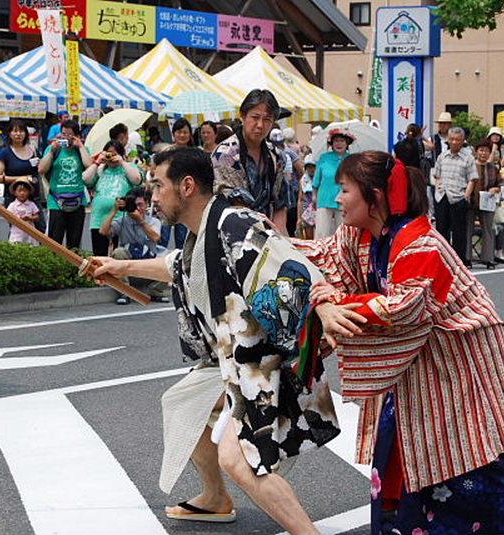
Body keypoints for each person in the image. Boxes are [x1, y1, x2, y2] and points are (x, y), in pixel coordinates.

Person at [90, 147, 343, 534]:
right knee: (184, 406)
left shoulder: (235, 223)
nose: (153, 196)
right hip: (226, 363)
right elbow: (176, 266)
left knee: (239, 458)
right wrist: (120, 267)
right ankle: (215, 498)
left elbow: (295, 271)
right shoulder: (203, 231)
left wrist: (325, 311)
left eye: (159, 185)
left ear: (187, 186)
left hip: (260, 365)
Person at [295, 151, 504, 535]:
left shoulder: (420, 244)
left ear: (374, 196)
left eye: (345, 190)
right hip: (415, 373)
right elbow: (323, 258)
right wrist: (269, 243)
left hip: (454, 371)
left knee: (476, 461)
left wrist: (334, 304)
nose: (337, 197)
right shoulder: (363, 234)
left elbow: (402, 308)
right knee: (407, 462)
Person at [212, 89, 288, 231]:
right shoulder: (225, 154)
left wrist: (279, 240)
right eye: (255, 117)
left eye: (267, 119)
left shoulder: (276, 156)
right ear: (243, 116)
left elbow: (279, 204)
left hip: (268, 236)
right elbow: (238, 208)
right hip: (231, 234)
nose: (260, 125)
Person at [99, 187, 167, 304]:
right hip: (128, 265)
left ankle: (155, 291)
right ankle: (125, 292)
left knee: (168, 258)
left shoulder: (154, 221)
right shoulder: (123, 220)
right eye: (134, 205)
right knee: (118, 252)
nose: (138, 208)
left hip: (148, 265)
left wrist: (141, 221)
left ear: (146, 204)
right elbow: (103, 232)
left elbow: (156, 238)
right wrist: (114, 211)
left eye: (140, 205)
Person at [39, 119, 93, 249]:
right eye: (63, 134)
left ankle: (71, 267)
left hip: (77, 201)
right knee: (54, 241)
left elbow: (89, 165)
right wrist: (52, 151)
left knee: (74, 243)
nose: (66, 137)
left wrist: (80, 146)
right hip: (56, 201)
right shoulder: (54, 149)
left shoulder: (82, 150)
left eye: (70, 135)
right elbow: (41, 169)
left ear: (77, 136)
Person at [83, 140, 142, 255]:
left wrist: (122, 161)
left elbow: (137, 179)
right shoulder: (101, 169)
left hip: (119, 220)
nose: (111, 157)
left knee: (117, 255)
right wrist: (97, 162)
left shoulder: (128, 167)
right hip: (98, 220)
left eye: (114, 154)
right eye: (108, 153)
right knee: (99, 256)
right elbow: (85, 179)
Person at [432, 126, 478, 264]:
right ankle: (442, 259)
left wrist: (466, 196)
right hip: (442, 196)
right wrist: (438, 186)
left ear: (463, 140)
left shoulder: (468, 158)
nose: (454, 142)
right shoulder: (442, 156)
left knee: (459, 231)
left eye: (458, 140)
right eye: (451, 139)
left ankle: (459, 260)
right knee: (441, 229)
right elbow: (436, 174)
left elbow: (473, 179)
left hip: (458, 197)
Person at [0, 121, 44, 227]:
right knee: (17, 230)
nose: (18, 134)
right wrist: (20, 179)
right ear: (9, 134)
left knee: (40, 229)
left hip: (34, 197)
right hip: (13, 198)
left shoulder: (32, 149)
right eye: (15, 131)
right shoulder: (4, 152)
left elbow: (40, 170)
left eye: (21, 131)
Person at [313, 127, 354, 238]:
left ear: (347, 143)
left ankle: (342, 254)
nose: (339, 144)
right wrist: (314, 196)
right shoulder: (324, 158)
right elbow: (316, 180)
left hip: (344, 201)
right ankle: (320, 255)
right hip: (324, 199)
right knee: (322, 232)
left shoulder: (352, 159)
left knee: (343, 233)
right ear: (331, 143)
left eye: (342, 141)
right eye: (336, 141)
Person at [161, 118, 194, 248]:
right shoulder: (166, 152)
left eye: (185, 132)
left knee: (182, 236)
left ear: (190, 134)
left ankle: (181, 265)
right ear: (174, 133)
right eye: (179, 132)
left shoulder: (193, 153)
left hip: (185, 197)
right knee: (163, 234)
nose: (182, 135)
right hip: (167, 195)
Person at [467, 141, 501, 268]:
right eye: (481, 150)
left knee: (488, 229)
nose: (483, 153)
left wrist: (495, 189)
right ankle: (467, 258)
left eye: (486, 150)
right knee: (468, 229)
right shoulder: (470, 166)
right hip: (471, 201)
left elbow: (499, 184)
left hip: (487, 202)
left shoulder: (493, 168)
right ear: (476, 152)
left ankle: (488, 258)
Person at [7, 177, 40, 245]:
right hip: (16, 234)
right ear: (15, 193)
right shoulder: (12, 205)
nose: (22, 193)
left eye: (24, 191)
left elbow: (37, 216)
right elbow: (8, 218)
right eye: (19, 191)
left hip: (30, 234)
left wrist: (30, 218)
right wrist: (16, 219)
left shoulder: (31, 204)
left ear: (28, 192)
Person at [297, 155, 317, 239]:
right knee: (309, 238)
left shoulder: (321, 179)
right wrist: (299, 217)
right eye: (309, 167)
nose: (311, 169)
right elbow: (300, 200)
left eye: (313, 166)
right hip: (307, 212)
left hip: (318, 209)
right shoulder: (303, 180)